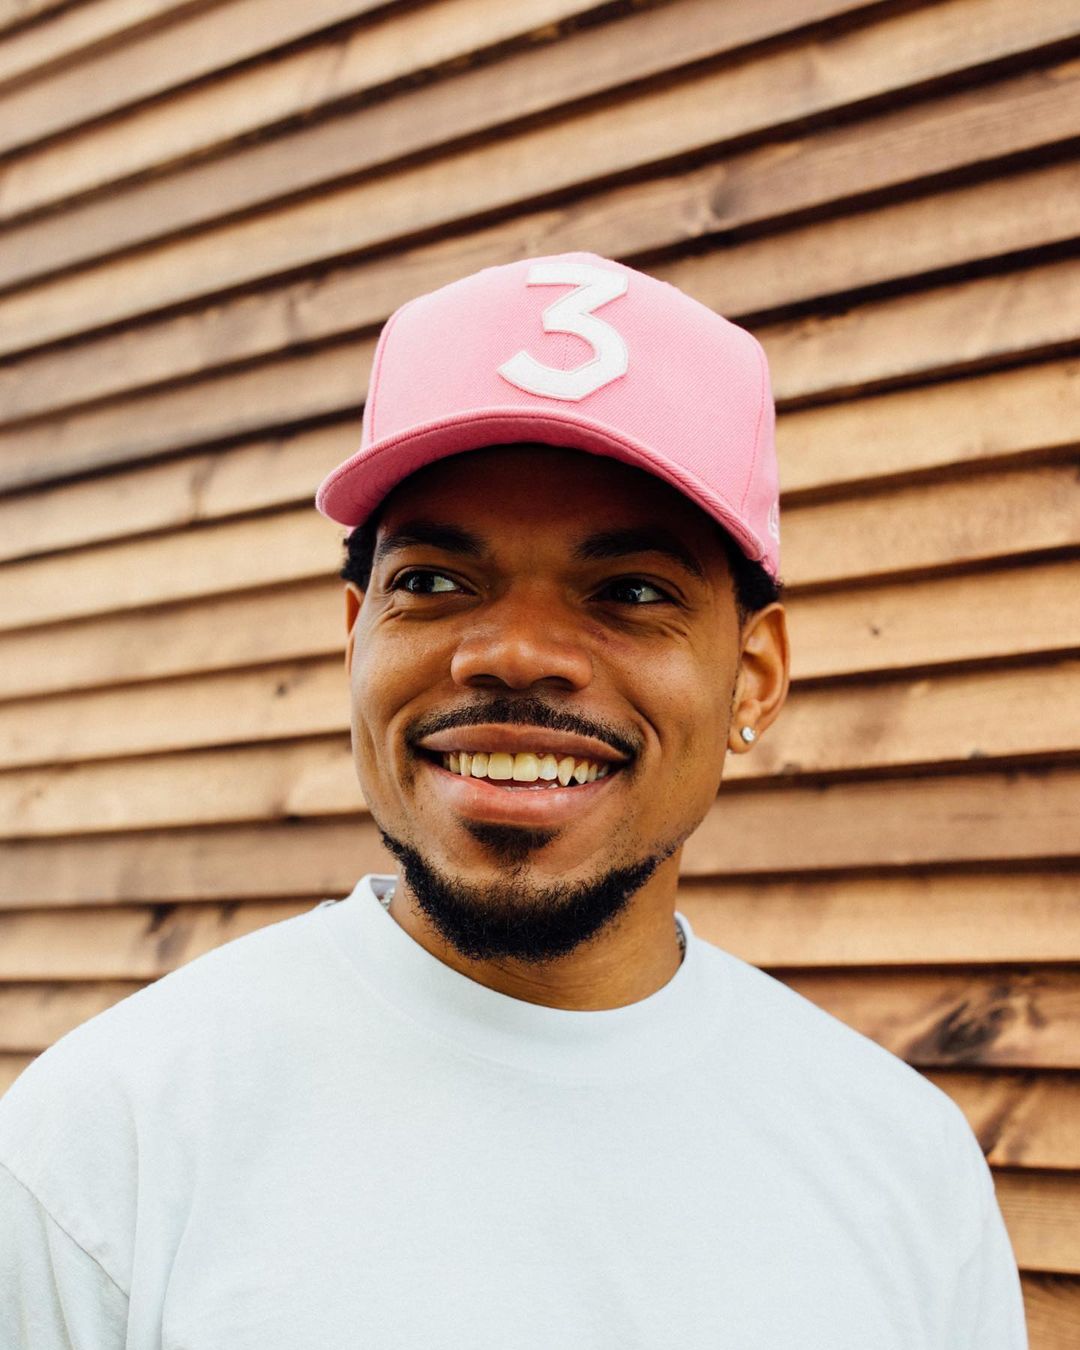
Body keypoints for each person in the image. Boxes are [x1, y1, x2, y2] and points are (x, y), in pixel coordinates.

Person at [0, 253, 1026, 1347]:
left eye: (631, 591)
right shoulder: (101, 1151)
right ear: (356, 638)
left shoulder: (904, 1171)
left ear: (754, 678)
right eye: (434, 582)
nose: (517, 652)